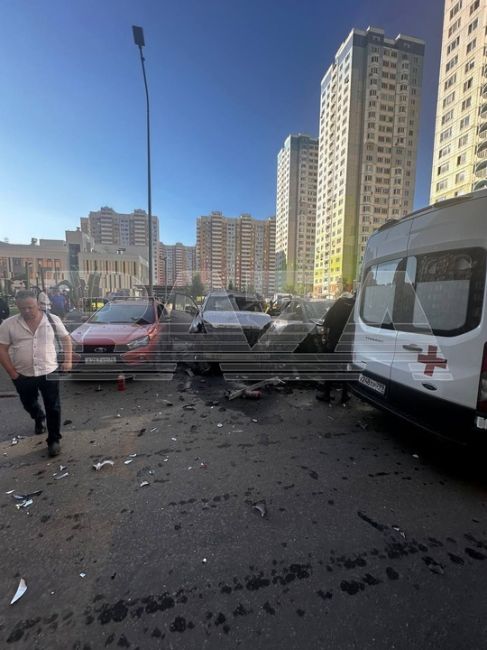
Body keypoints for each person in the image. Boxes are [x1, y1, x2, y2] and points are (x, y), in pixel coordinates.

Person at [0, 290, 72, 457]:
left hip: (49, 370)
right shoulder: (8, 325)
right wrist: (11, 372)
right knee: (28, 402)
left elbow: (66, 339)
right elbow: (2, 348)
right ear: (17, 307)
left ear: (38, 305)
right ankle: (38, 416)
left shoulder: (53, 320)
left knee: (53, 406)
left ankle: (54, 440)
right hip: (22, 374)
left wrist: (68, 361)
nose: (26, 311)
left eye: (30, 307)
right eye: (22, 308)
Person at [317, 290, 356, 405]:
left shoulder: (338, 304)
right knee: (345, 369)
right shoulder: (355, 306)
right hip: (348, 343)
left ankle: (327, 395)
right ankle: (344, 396)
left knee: (330, 368)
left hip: (334, 342)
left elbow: (326, 322)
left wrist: (325, 338)